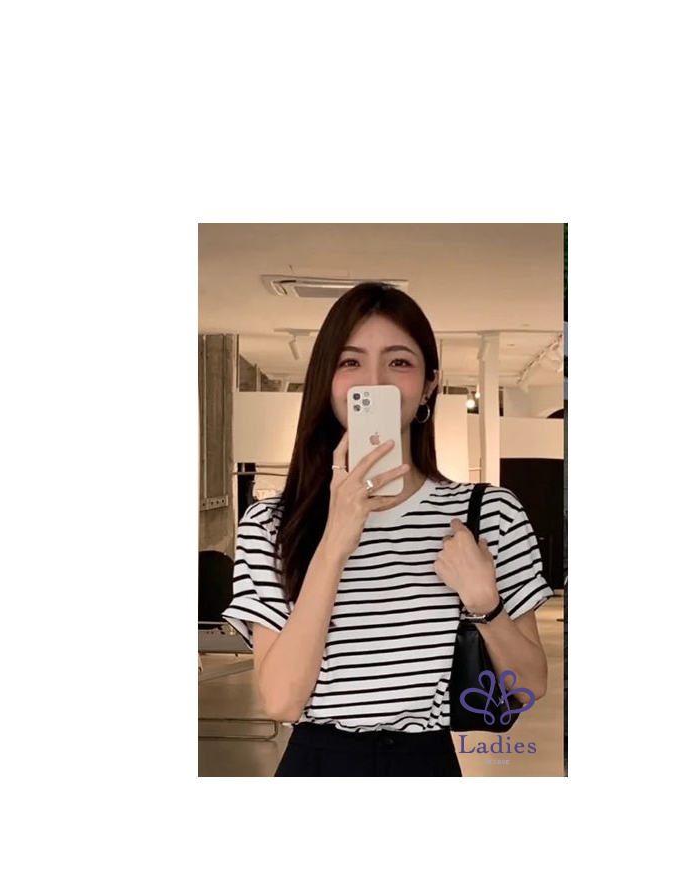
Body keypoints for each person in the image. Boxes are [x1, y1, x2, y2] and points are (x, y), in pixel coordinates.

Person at [222, 282, 552, 777]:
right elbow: (282, 700)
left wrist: (486, 605)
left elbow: (528, 687)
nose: (373, 382)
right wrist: (334, 542)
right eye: (350, 362)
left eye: (399, 362)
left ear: (430, 384)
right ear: (326, 380)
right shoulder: (270, 525)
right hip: (316, 765)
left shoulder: (488, 514)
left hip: (427, 762)